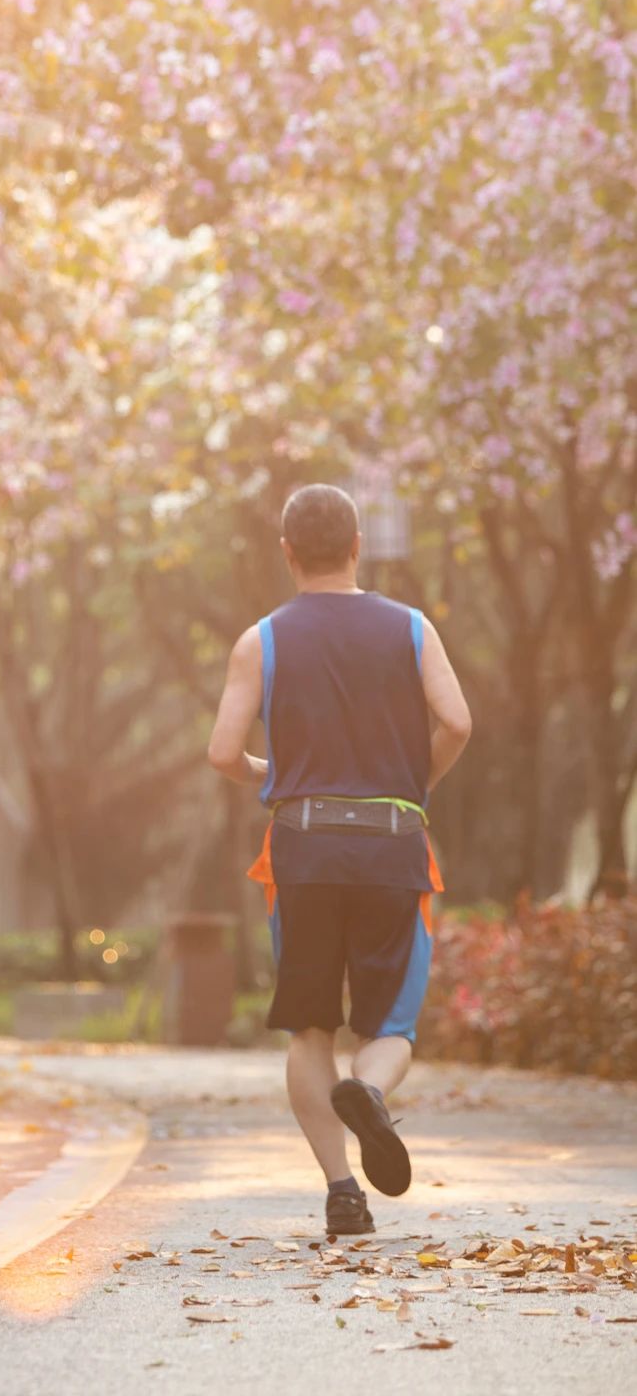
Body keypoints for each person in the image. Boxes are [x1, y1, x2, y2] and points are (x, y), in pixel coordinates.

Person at [208, 484, 472, 1237]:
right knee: (390, 1022)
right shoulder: (413, 628)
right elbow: (456, 720)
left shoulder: (259, 640)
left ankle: (340, 1193)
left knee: (309, 1028)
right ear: (357, 545)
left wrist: (278, 775)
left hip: (302, 846)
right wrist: (408, 784)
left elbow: (222, 752)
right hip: (392, 841)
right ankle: (372, 1092)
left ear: (286, 553)